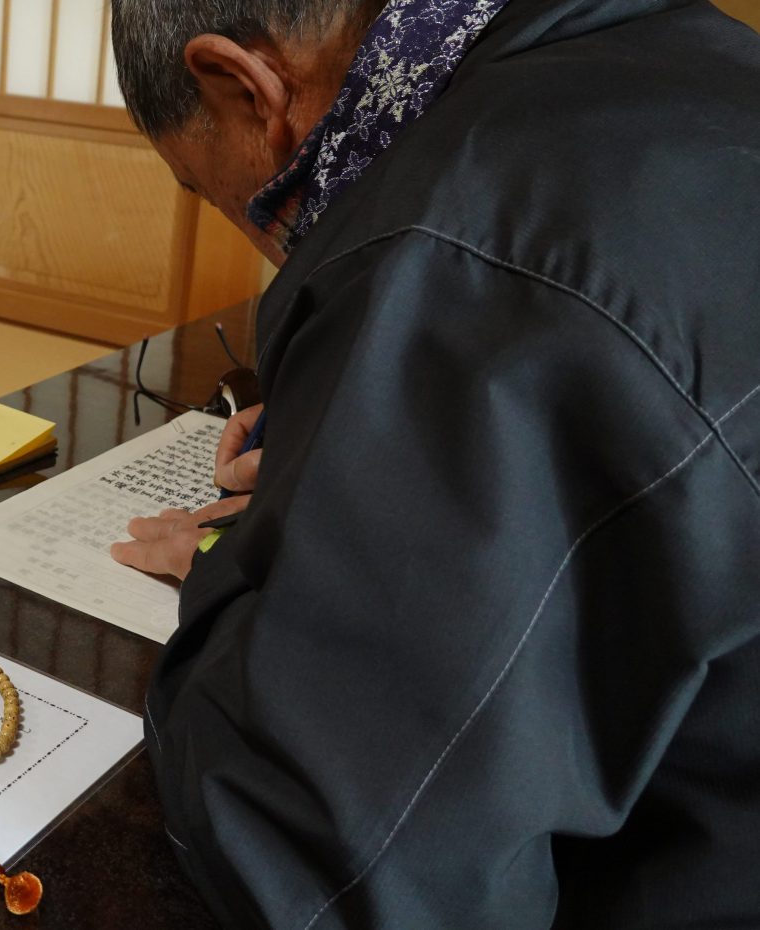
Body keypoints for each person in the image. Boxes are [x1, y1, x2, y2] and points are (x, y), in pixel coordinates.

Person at [106, 0, 760, 926]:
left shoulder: (457, 253)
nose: (249, 231)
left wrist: (232, 564)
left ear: (246, 87)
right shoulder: (656, 46)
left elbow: (325, 861)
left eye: (208, 191)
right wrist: (358, 413)